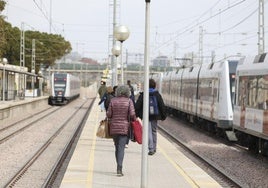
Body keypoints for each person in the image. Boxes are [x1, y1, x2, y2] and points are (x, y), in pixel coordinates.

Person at [106, 85, 136, 176]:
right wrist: (134, 118)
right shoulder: (129, 101)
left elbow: (109, 114)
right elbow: (132, 114)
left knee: (116, 146)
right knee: (121, 148)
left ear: (117, 92)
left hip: (114, 127)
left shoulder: (113, 100)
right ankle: (119, 168)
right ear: (127, 92)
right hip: (124, 127)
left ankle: (118, 165)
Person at [135, 78, 167, 155]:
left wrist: (137, 115)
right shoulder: (157, 94)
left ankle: (151, 148)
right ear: (154, 86)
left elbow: (137, 106)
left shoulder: (143, 94)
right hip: (155, 116)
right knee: (154, 131)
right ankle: (154, 148)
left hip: (146, 116)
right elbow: (162, 105)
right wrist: (163, 116)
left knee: (148, 132)